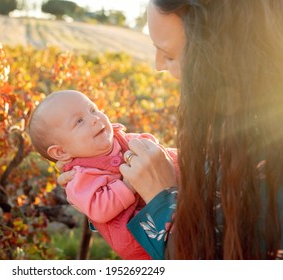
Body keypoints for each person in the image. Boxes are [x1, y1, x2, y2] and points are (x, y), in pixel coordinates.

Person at [58, 0, 283, 259]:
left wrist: (162, 198)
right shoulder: (236, 128)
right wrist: (99, 180)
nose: (158, 65)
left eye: (169, 54)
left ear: (226, 52)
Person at [28, 89, 179, 260]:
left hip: (174, 193)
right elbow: (99, 209)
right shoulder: (79, 177)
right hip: (142, 237)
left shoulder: (118, 138)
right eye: (79, 121)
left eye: (93, 109)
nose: (94, 119)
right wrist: (128, 185)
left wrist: (147, 143)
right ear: (61, 152)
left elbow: (145, 143)